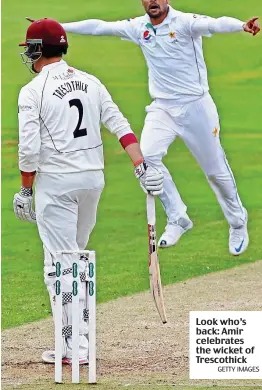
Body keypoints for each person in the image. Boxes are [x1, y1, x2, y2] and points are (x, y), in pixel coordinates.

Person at [56, 0, 261, 255]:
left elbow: (214, 23)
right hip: (163, 107)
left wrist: (242, 26)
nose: (153, 1)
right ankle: (178, 217)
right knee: (147, 157)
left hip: (196, 107)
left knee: (215, 171)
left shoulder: (184, 23)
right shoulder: (138, 27)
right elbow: (100, 27)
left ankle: (237, 222)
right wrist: (58, 26)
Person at [13, 18, 164, 364]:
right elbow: (120, 126)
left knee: (59, 266)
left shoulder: (32, 91)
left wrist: (25, 190)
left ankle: (74, 349)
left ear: (37, 50)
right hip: (92, 182)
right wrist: (141, 167)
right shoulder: (91, 82)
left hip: (57, 186)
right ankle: (75, 344)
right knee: (74, 259)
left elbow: (28, 149)